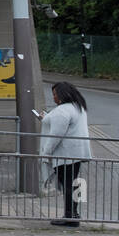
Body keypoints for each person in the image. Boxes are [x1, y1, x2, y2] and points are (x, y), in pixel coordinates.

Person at [39, 82, 91, 227]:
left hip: (66, 154)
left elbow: (56, 134)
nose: (54, 97)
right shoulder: (78, 107)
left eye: (55, 94)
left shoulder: (62, 111)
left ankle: (70, 216)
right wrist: (48, 118)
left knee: (68, 185)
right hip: (77, 152)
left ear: (62, 95)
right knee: (74, 184)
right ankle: (74, 214)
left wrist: (46, 153)